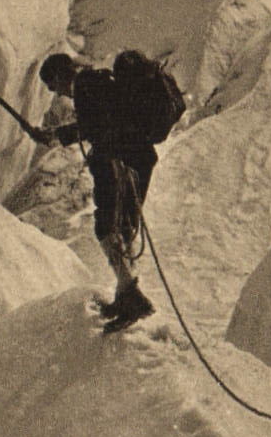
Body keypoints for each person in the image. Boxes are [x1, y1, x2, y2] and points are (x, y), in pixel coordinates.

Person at [37, 50, 182, 330]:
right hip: (136, 160)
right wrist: (57, 136)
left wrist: (61, 137)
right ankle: (126, 293)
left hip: (119, 164)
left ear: (59, 75)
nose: (54, 92)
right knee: (125, 226)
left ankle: (130, 295)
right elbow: (100, 123)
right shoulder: (97, 82)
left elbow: (97, 129)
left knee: (107, 227)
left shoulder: (85, 86)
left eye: (51, 85)